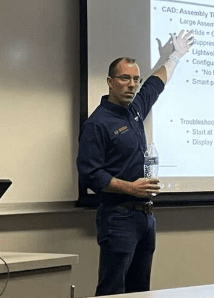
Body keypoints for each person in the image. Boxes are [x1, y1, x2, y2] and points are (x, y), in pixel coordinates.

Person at [77, 30, 194, 296]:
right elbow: (90, 174)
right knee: (113, 289)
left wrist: (176, 55)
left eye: (135, 79)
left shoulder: (135, 110)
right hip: (118, 216)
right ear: (110, 82)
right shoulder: (97, 123)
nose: (132, 84)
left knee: (140, 291)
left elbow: (156, 83)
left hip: (145, 217)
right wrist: (131, 188)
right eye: (124, 78)